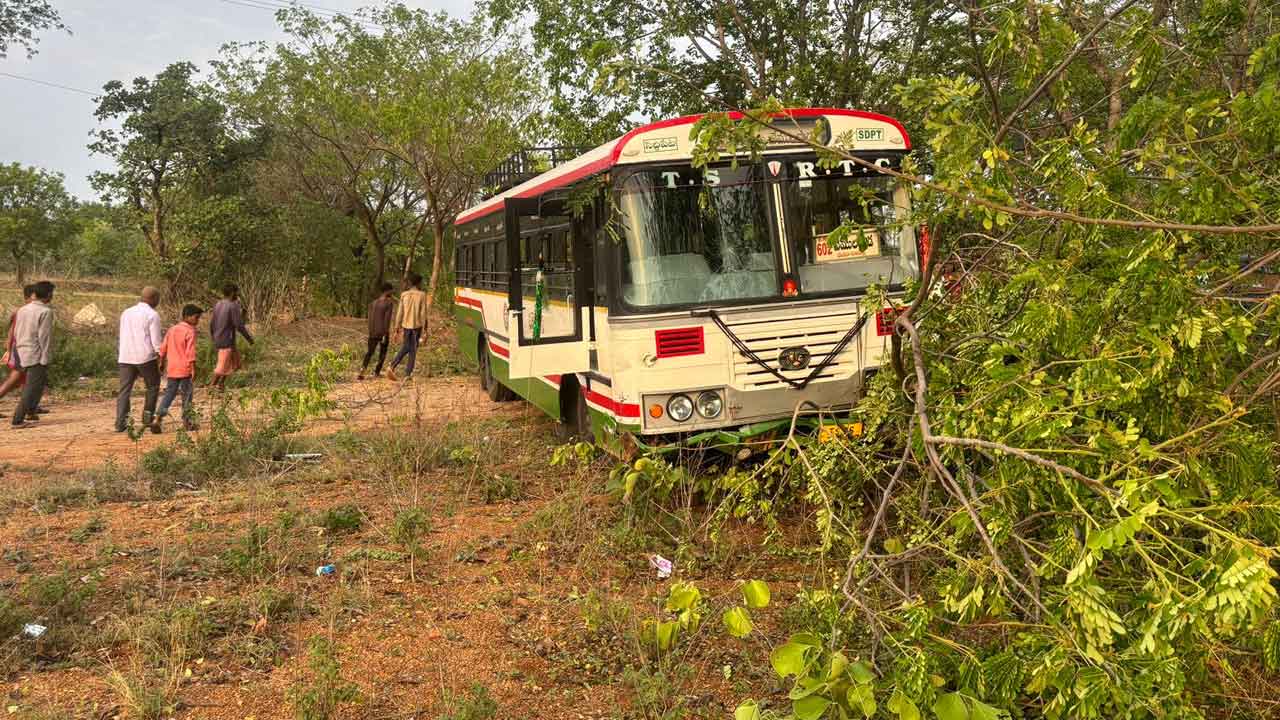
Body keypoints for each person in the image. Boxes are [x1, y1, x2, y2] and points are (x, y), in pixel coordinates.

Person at [115, 286, 164, 433]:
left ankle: (120, 423)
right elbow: (156, 341)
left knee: (124, 390)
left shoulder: (126, 312)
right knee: (153, 387)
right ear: (154, 299)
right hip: (145, 357)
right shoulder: (152, 315)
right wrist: (161, 357)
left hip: (125, 356)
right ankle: (147, 420)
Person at [11, 281, 55, 429]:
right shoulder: (45, 311)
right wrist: (45, 358)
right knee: (31, 387)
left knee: (35, 385)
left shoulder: (22, 309)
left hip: (22, 350)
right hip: (35, 353)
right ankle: (17, 419)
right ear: (48, 295)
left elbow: (16, 332)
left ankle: (30, 411)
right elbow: (44, 337)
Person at [153, 304, 202, 433]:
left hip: (172, 368)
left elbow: (163, 348)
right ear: (187, 317)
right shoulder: (190, 331)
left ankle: (158, 418)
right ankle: (187, 422)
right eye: (196, 317)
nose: (197, 321)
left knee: (169, 394)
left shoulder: (172, 329)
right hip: (185, 368)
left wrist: (161, 362)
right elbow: (190, 351)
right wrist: (193, 368)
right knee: (187, 395)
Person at [209, 283, 254, 390]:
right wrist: (249, 339)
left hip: (219, 337)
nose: (238, 294)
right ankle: (211, 386)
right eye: (237, 292)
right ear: (233, 292)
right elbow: (239, 325)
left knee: (234, 363)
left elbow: (212, 323)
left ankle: (221, 384)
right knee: (222, 366)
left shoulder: (218, 304)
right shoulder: (232, 305)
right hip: (226, 340)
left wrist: (213, 337)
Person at [386, 273, 428, 381]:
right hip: (416, 327)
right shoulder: (422, 295)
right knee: (411, 349)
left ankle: (404, 372)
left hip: (406, 326)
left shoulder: (404, 294)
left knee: (408, 346)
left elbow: (400, 312)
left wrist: (396, 328)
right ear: (418, 283)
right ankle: (399, 369)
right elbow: (423, 313)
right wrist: (425, 329)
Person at [0, 285, 35, 403]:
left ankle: (30, 407)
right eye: (34, 297)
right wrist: (9, 350)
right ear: (26, 298)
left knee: (27, 379)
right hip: (22, 349)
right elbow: (11, 332)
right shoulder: (22, 312)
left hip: (28, 349)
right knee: (15, 378)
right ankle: (29, 407)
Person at [359, 282, 396, 380]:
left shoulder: (373, 303)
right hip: (382, 331)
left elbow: (370, 319)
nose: (393, 292)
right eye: (392, 290)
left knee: (369, 352)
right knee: (382, 353)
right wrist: (385, 333)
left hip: (372, 331)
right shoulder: (389, 303)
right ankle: (376, 372)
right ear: (388, 290)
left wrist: (371, 331)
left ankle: (362, 371)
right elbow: (387, 320)